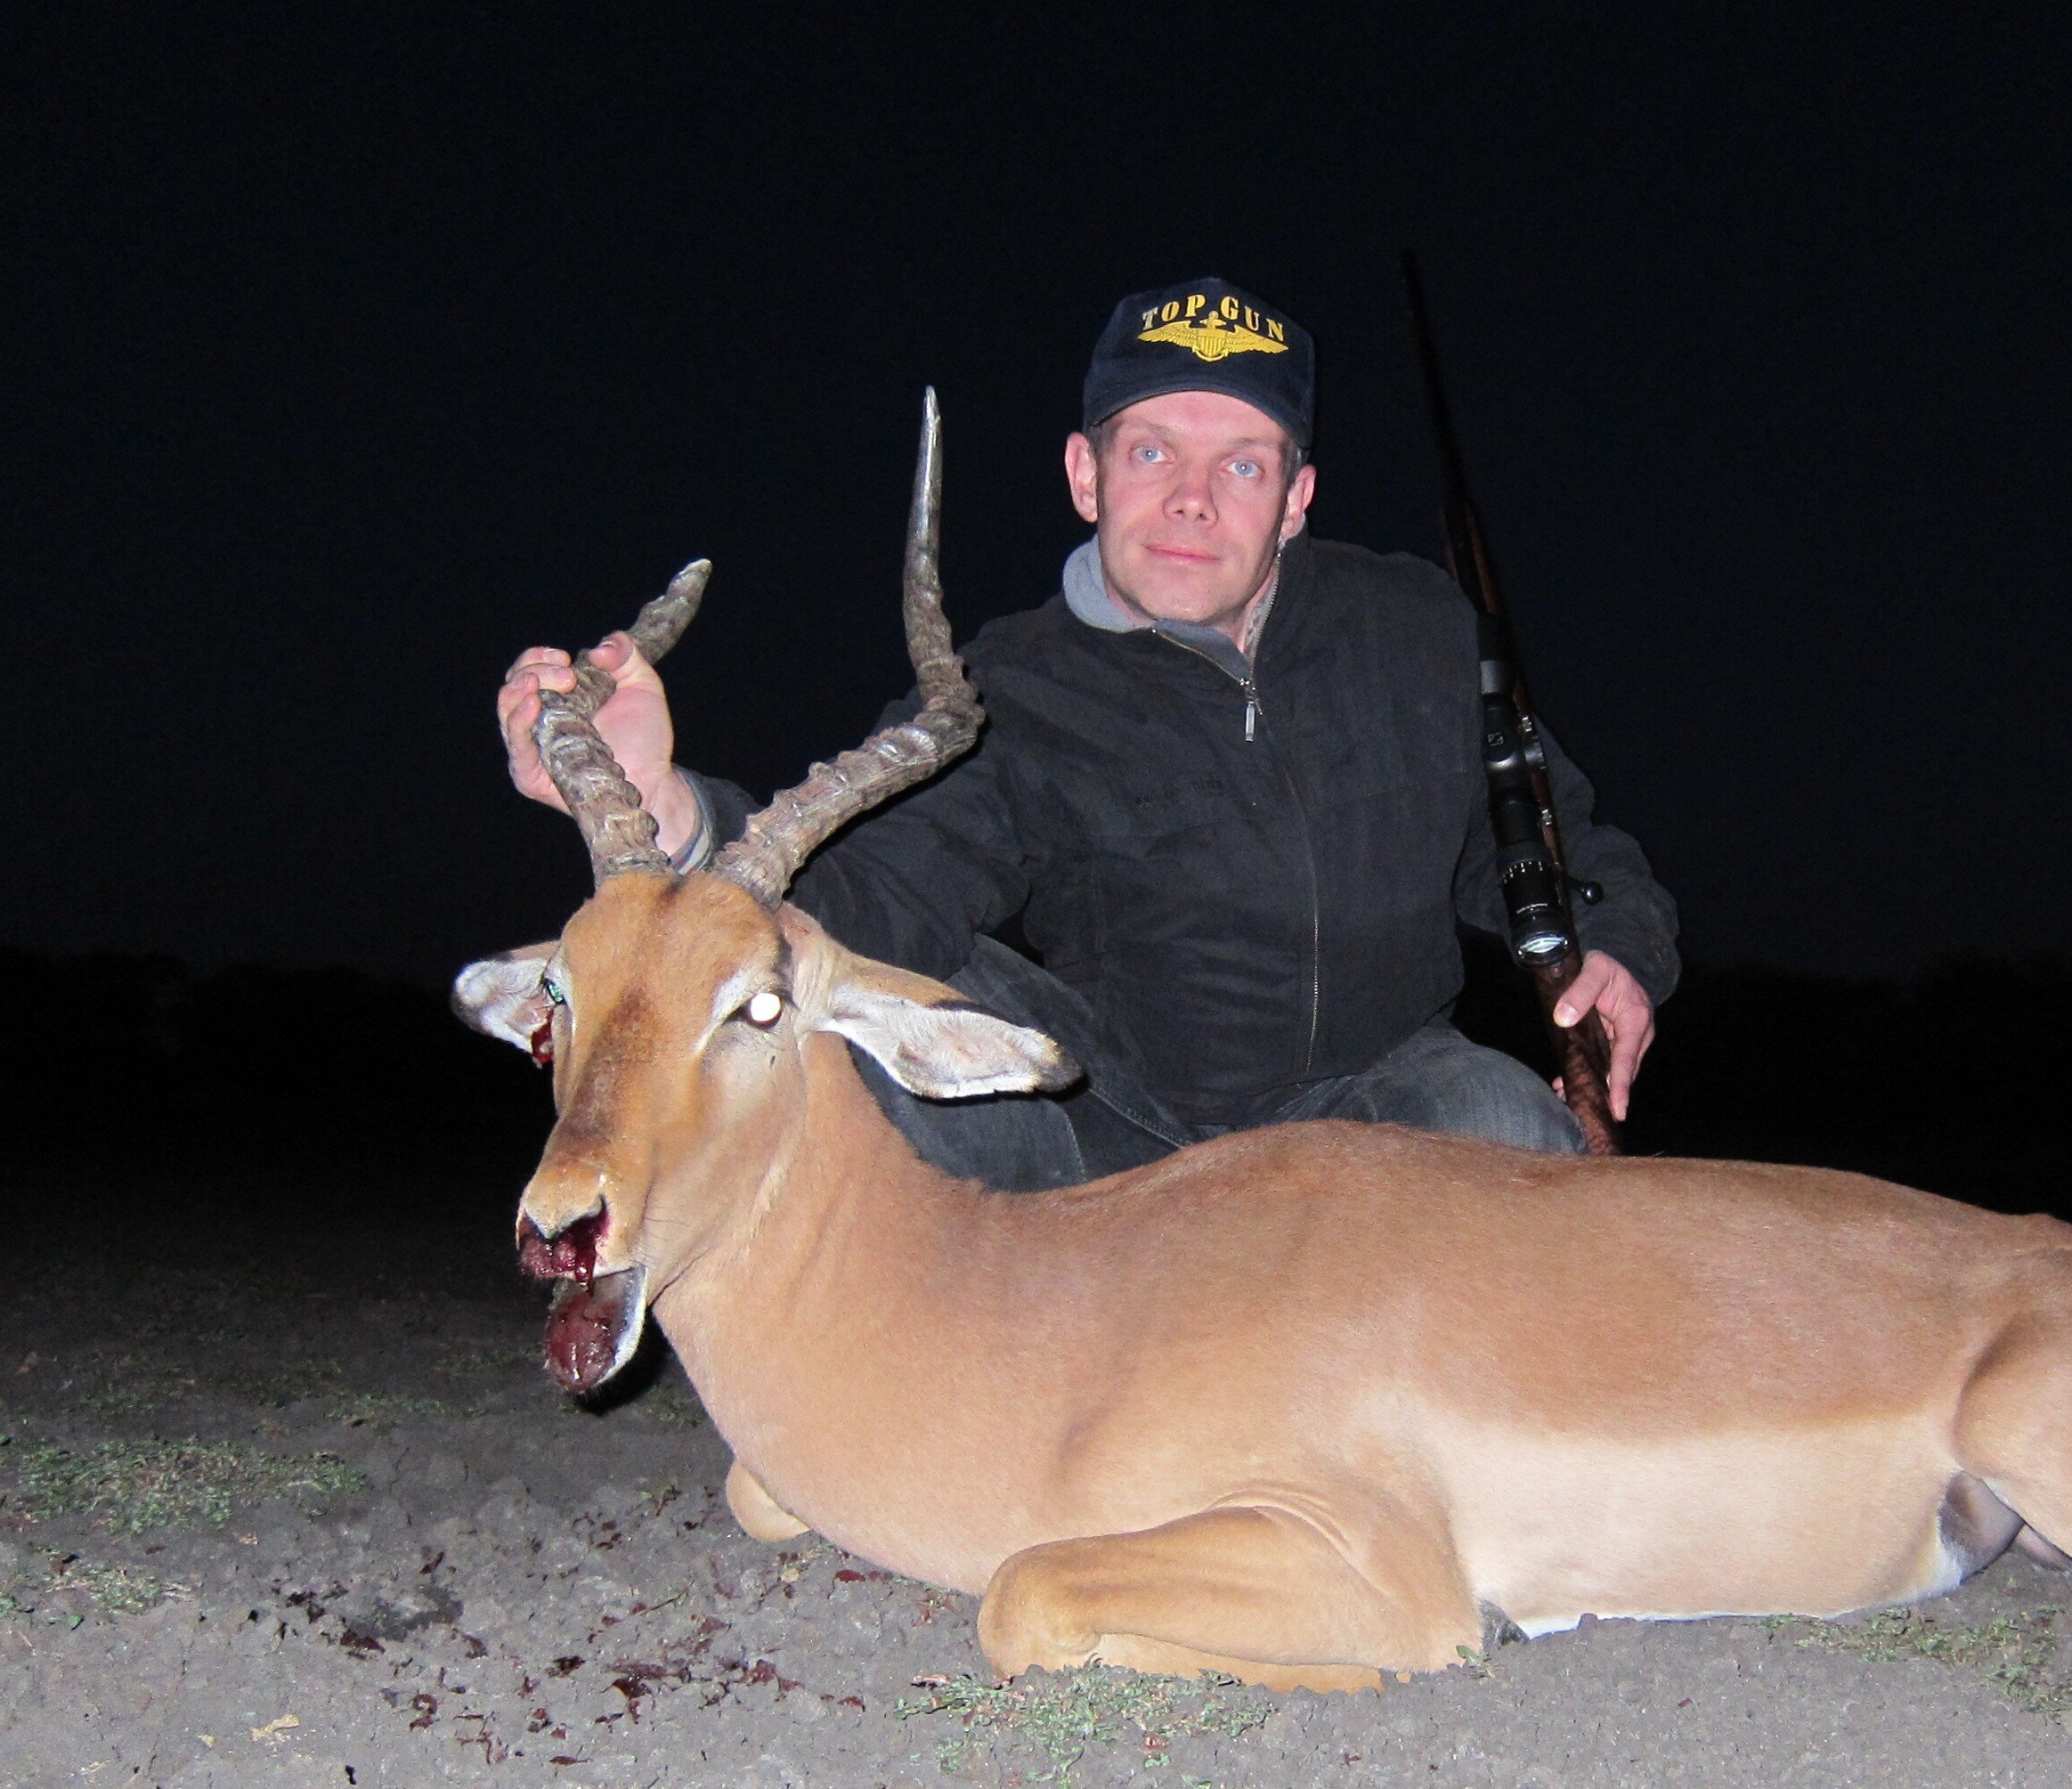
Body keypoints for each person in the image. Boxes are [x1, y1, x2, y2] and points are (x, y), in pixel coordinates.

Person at [497, 278, 1678, 1190]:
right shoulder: (1011, 684)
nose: (1192, 499)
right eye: (1152, 451)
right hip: (1117, 1123)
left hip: (1374, 1097)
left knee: (1507, 1128)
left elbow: (1555, 847)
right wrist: (666, 810)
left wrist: (1620, 949)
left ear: (1297, 500)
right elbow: (863, 893)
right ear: (1086, 473)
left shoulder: (1416, 629)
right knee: (858, 1009)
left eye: (1244, 464)